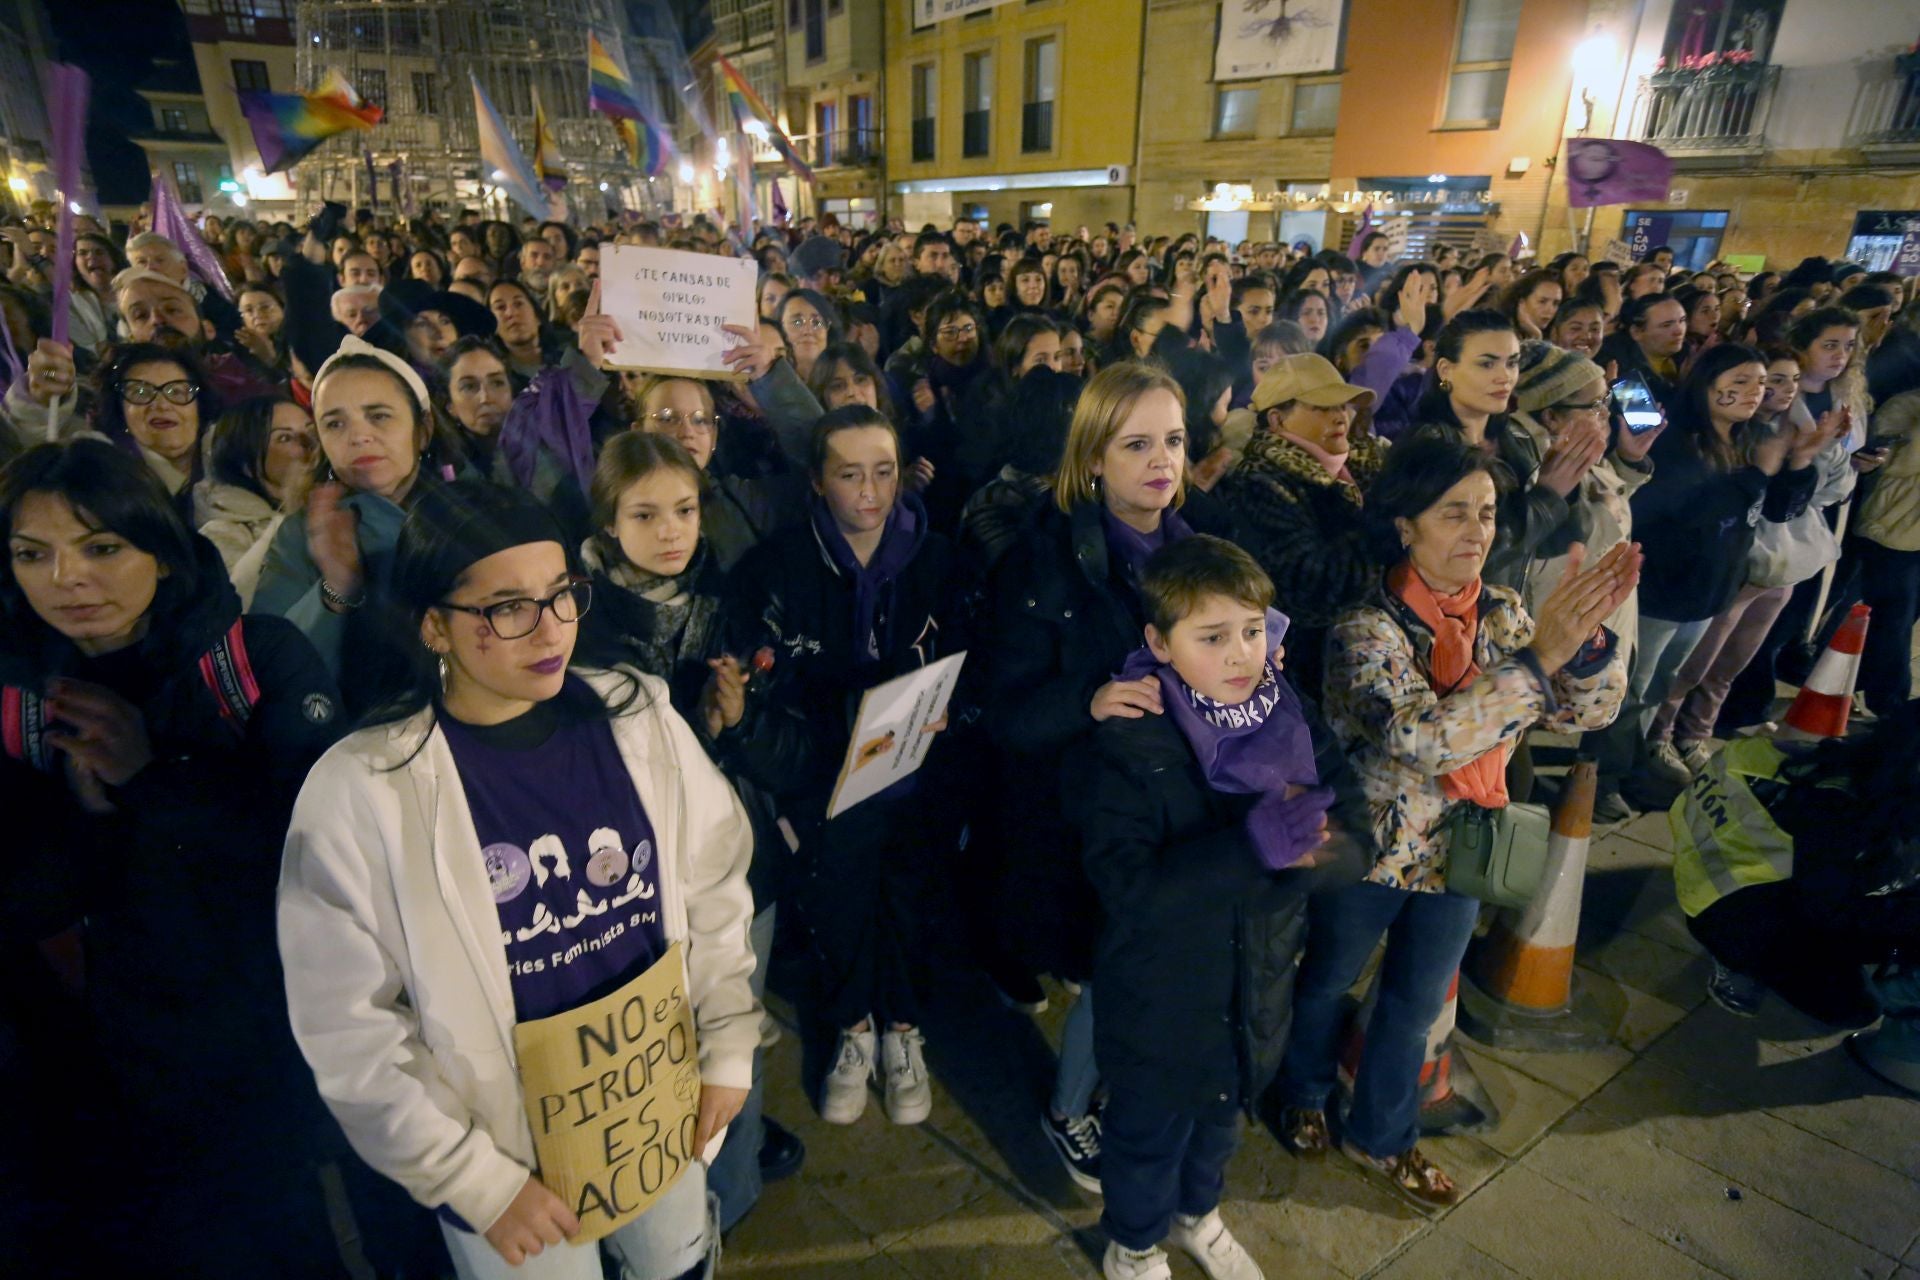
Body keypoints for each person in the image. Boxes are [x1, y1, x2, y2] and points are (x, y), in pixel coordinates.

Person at [279, 480, 758, 1280]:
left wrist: (728, 1045)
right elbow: (349, 1025)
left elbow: (712, 883)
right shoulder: (365, 790)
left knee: (674, 1264)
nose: (550, 630)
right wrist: (473, 1179)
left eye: (563, 594)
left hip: (652, 1103)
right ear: (435, 623)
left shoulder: (636, 717)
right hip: (505, 1153)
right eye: (506, 608)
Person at [1, 438, 348, 1276]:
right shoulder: (19, 700)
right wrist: (83, 819)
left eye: (101, 547)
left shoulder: (252, 662)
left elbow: (322, 859)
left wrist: (151, 780)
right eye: (31, 555)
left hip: (250, 1048)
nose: (67, 578)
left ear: (158, 551)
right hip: (88, 1070)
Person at [1275, 437, 1634, 1207]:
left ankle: (1383, 1135)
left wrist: (1588, 648)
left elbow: (1581, 712)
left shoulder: (1503, 613)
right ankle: (1301, 1094)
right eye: (1454, 514)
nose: (1476, 531)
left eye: (1488, 513)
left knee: (1417, 1002)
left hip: (1465, 848)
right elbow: (1422, 738)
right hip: (1368, 849)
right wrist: (1537, 664)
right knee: (1327, 982)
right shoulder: (1364, 627)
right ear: (1406, 525)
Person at [1076, 536, 1368, 1280]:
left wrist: (1319, 856)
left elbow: (1357, 833)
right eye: (1212, 637)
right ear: (1159, 643)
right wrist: (1249, 851)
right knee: (1146, 1138)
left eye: (1252, 629)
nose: (1241, 654)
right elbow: (1129, 891)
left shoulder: (1286, 713)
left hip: (1258, 985)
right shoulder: (1133, 739)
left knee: (1220, 1126)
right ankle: (1134, 1244)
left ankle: (1197, 1215)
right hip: (1159, 1003)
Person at [982, 363, 1230, 1191]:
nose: (1161, 462)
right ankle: (1068, 1108)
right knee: (1106, 968)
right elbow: (1005, 713)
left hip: (1182, 803)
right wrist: (1085, 701)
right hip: (1084, 819)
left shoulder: (1201, 549)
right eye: (1135, 445)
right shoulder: (1040, 564)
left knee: (1151, 965)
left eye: (1172, 440)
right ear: (1091, 458)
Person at [726, 405, 962, 1129]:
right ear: (818, 480)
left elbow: (967, 651)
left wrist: (952, 701)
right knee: (840, 902)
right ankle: (854, 1029)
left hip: (917, 765)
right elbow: (764, 671)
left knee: (912, 897)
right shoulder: (780, 563)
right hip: (826, 772)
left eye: (884, 471)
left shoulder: (938, 557)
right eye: (849, 473)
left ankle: (904, 1029)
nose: (869, 491)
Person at [1597, 344, 1834, 812]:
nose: (1754, 392)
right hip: (1657, 592)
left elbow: (1777, 510)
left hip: (1709, 595)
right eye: (1740, 381)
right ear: (1707, 382)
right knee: (1627, 693)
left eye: (1761, 383)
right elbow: (1682, 510)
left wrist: (1801, 461)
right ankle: (1598, 781)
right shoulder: (1669, 436)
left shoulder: (1749, 440)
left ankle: (1633, 765)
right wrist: (1757, 475)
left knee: (1662, 687)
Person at [1670, 712, 1920, 1027]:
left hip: (1756, 874)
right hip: (1726, 909)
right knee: (1855, 1007)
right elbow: (1829, 911)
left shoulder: (1866, 763)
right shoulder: (1837, 808)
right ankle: (1737, 961)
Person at [253, 338, 457, 706]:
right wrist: (335, 589)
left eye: (379, 416)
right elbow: (268, 666)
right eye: (335, 423)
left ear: (423, 429)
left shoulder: (475, 511)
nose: (359, 436)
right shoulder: (304, 532)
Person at [1215, 354, 1385, 698]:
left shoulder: (1359, 472)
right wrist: (1381, 535)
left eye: (1343, 405)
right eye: (1322, 407)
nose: (1340, 415)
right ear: (1277, 419)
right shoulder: (1260, 486)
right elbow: (1308, 588)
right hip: (1312, 673)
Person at [1407, 310, 1605, 595]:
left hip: (1503, 615)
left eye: (1511, 363)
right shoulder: (1430, 447)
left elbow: (1554, 544)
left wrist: (1568, 490)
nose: (1503, 377)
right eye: (1487, 364)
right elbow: (1469, 558)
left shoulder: (1514, 438)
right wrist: (1547, 495)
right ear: (1446, 370)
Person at [195, 393, 314, 604]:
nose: (309, 444)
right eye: (285, 438)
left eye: (311, 430)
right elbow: (246, 604)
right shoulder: (221, 535)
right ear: (246, 463)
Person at [1598, 293, 1688, 411]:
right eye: (1666, 325)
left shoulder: (1689, 354)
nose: (1679, 330)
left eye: (1682, 321)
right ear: (1636, 332)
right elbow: (1646, 419)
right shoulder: (1621, 369)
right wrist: (1687, 383)